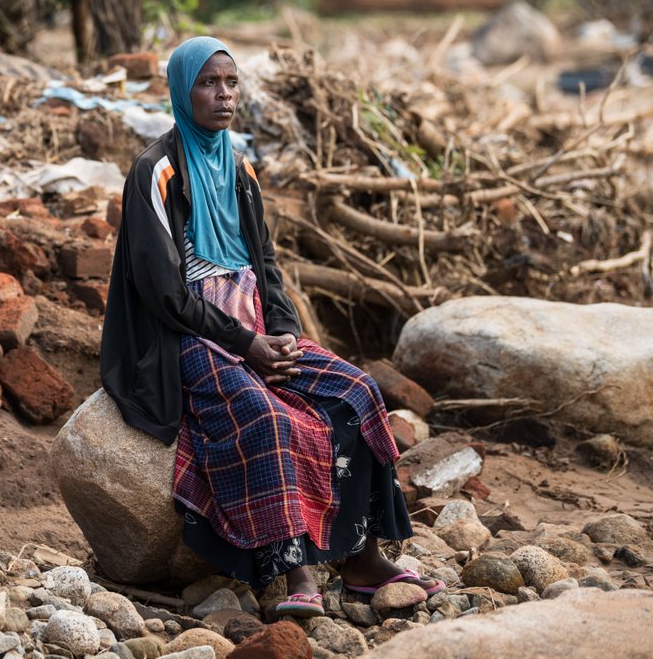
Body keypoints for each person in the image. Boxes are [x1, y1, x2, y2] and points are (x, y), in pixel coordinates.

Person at [100, 36, 443, 616]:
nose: (224, 95)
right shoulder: (154, 172)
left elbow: (266, 264)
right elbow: (163, 292)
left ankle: (363, 559)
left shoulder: (239, 167)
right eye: (209, 83)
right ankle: (297, 572)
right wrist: (246, 345)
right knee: (265, 417)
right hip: (189, 335)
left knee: (355, 393)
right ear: (183, 91)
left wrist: (282, 332)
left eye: (231, 83)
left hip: (256, 325)